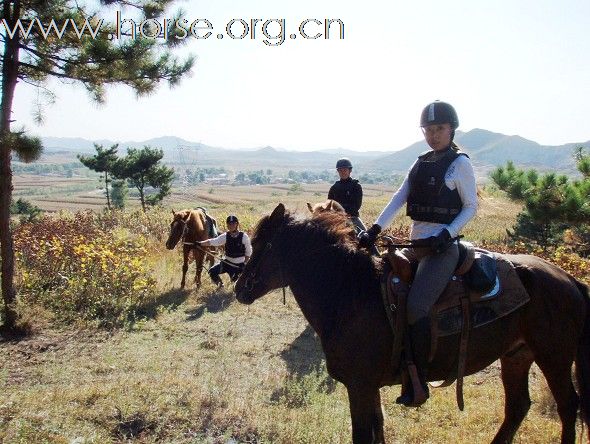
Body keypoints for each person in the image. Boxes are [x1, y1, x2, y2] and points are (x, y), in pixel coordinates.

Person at [359, 100, 478, 406]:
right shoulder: (420, 162)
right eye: (428, 129)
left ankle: (420, 379)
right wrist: (374, 228)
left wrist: (446, 233)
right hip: (414, 245)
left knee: (416, 307)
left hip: (442, 249)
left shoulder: (460, 164)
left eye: (439, 129)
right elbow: (401, 196)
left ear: (451, 130)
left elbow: (470, 207)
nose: (433, 135)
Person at [198, 215, 252, 288]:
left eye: (233, 223)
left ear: (237, 224)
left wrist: (244, 264)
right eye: (229, 224)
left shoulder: (244, 237)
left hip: (238, 266)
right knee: (212, 271)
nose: (231, 225)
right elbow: (213, 241)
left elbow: (248, 252)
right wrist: (199, 243)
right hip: (226, 263)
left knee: (235, 286)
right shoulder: (225, 236)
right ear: (227, 225)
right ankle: (221, 286)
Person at [328, 158, 367, 233]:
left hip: (352, 217)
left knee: (365, 236)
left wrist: (343, 211)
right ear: (338, 171)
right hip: (337, 218)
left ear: (350, 170)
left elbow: (356, 206)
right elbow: (329, 204)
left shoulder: (356, 186)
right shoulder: (334, 187)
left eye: (345, 170)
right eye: (340, 170)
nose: (343, 172)